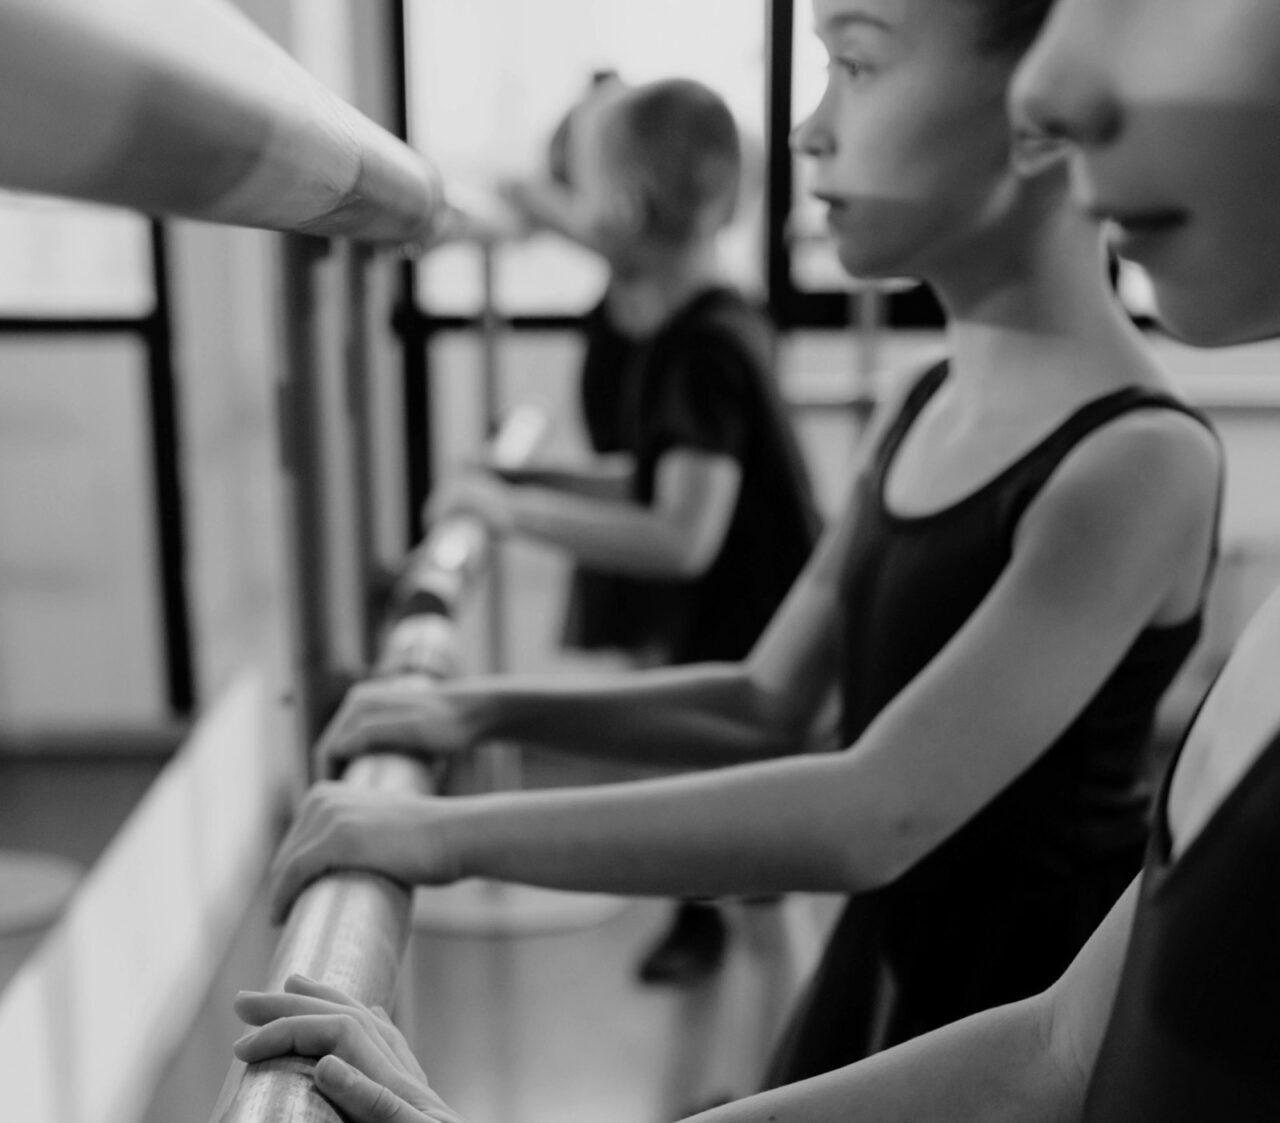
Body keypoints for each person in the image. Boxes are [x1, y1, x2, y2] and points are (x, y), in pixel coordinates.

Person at [236, 0, 1280, 1118]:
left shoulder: (1134, 459)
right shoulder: (919, 396)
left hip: (974, 1007)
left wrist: (445, 832)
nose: (805, 130)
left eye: (858, 66)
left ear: (1024, 126)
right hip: (899, 1018)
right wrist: (474, 714)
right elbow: (764, 699)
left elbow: (875, 812)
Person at [427, 75, 821, 986]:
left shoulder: (702, 347)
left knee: (763, 908)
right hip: (738, 641)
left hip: (757, 651)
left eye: (582, 190)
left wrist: (514, 512)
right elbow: (647, 475)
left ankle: (784, 1084)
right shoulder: (684, 327)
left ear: (625, 209)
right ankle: (752, 1077)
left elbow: (681, 535)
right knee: (744, 893)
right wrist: (527, 477)